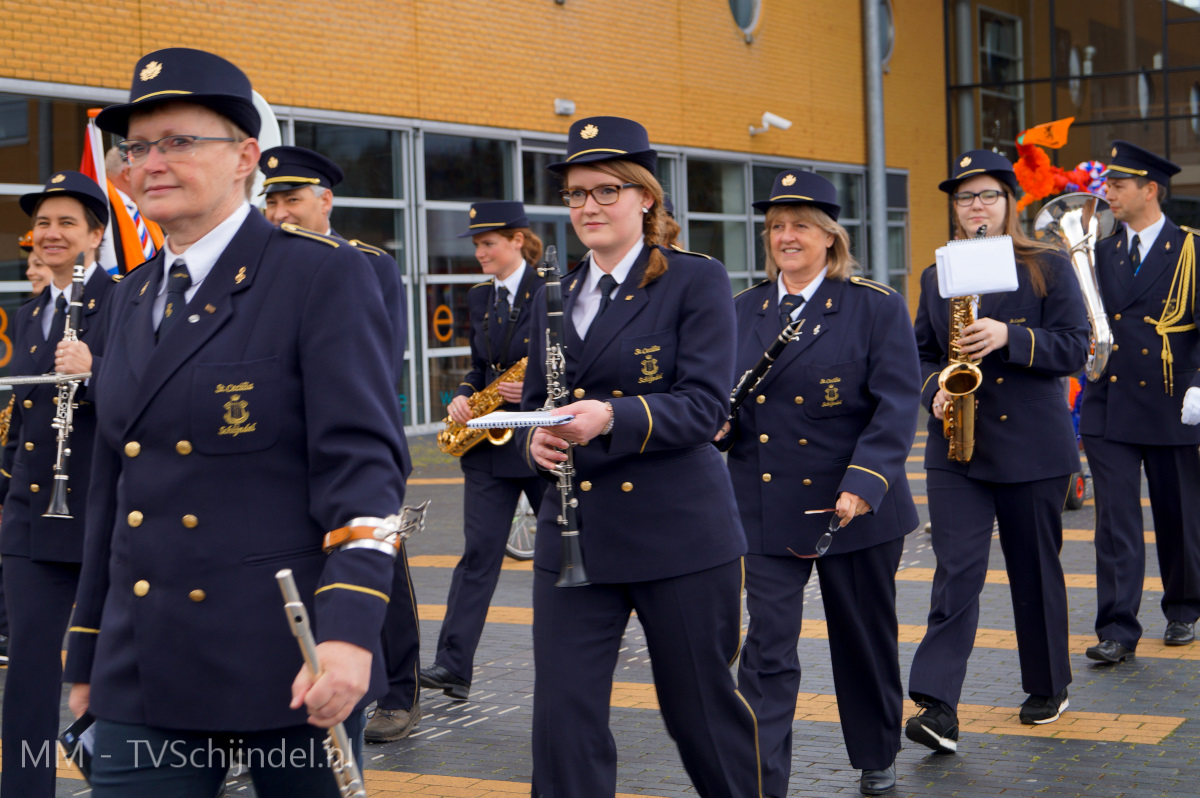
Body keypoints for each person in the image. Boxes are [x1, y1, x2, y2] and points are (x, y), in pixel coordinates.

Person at [62, 48, 409, 797]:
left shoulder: (319, 276)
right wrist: (86, 656)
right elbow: (111, 491)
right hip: (145, 661)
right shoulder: (127, 298)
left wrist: (349, 632)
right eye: (138, 147)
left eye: (179, 141)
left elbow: (364, 470)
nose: (151, 162)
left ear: (245, 156)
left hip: (287, 655)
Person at [523, 116, 761, 798]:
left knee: (700, 715)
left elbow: (705, 407)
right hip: (574, 538)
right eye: (576, 195)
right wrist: (531, 439)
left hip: (677, 535)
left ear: (646, 198)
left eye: (606, 191)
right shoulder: (554, 292)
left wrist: (611, 416)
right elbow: (538, 402)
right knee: (563, 722)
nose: (588, 207)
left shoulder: (694, 280)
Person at [721, 170, 920, 796]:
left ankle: (875, 753)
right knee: (767, 646)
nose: (786, 237)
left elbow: (895, 403)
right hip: (765, 503)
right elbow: (719, 397)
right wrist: (717, 425)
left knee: (862, 640)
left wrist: (865, 481)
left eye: (800, 226)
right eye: (776, 227)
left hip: (851, 505)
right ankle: (761, 775)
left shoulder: (874, 306)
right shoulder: (741, 309)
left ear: (830, 237)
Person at [905, 150, 1089, 755]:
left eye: (986, 196)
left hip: (1032, 445)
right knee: (955, 571)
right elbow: (922, 355)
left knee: (1033, 568)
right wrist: (934, 391)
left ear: (1010, 202)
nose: (975, 208)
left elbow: (1075, 346)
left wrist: (1010, 336)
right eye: (964, 199)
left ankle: (1047, 683)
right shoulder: (938, 275)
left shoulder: (1048, 265)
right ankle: (936, 704)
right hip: (956, 445)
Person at [259, 144, 421, 742]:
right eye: (271, 201)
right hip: (279, 450)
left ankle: (400, 691)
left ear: (325, 201)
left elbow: (380, 361)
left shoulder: (365, 263)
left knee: (381, 563)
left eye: (292, 200)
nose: (280, 214)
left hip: (352, 441)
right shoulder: (258, 267)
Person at [0, 170, 118, 798]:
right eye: (43, 223)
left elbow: (151, 400)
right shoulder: (26, 316)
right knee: (28, 670)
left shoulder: (127, 299)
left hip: (102, 511)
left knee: (112, 667)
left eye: (66, 223)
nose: (50, 234)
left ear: (95, 234)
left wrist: (95, 371)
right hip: (30, 513)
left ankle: (125, 779)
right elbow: (20, 423)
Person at [419, 200, 545, 703]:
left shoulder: (556, 291)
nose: (479, 252)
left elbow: (575, 364)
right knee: (477, 558)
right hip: (488, 446)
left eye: (488, 243)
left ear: (517, 240)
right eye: (476, 244)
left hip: (539, 439)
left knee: (565, 552)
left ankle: (589, 642)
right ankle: (453, 666)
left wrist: (532, 385)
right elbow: (479, 364)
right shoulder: (479, 296)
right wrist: (464, 394)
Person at [1080, 141, 1200, 662]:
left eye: (1119, 185)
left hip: (1174, 399)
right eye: (1109, 185)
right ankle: (1117, 628)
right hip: (1110, 400)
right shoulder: (1098, 251)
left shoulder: (1193, 248)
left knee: (1179, 513)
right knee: (1116, 520)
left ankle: (1184, 609)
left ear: (1150, 190)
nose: (1110, 194)